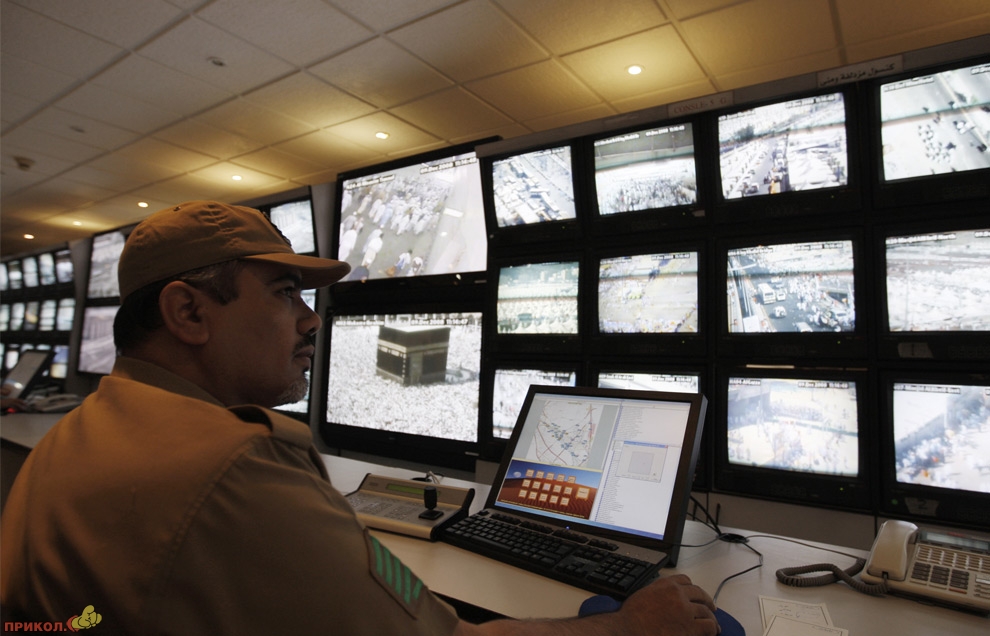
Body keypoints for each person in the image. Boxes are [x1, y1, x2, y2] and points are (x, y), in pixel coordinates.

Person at [0, 201, 719, 636]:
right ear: (188, 312)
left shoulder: (82, 431)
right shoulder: (233, 463)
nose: (311, 319)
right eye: (284, 293)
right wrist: (629, 626)